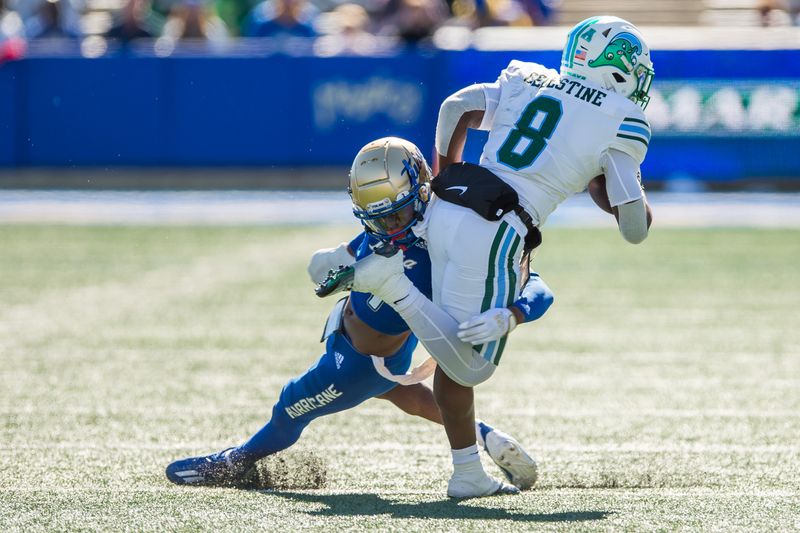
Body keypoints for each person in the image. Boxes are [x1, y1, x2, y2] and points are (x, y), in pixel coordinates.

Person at [350, 16, 654, 498]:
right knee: (471, 367)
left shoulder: (531, 79)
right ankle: (392, 285)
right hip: (496, 229)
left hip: (450, 208)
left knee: (454, 361)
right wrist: (621, 184)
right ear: (616, 64)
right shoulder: (621, 117)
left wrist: (447, 172)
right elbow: (635, 228)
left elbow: (457, 106)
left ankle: (467, 473)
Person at [165, 138, 555, 495]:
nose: (386, 227)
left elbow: (535, 283)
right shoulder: (404, 223)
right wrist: (337, 261)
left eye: (394, 217)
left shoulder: (447, 241)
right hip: (382, 353)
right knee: (407, 396)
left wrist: (512, 314)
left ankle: (236, 462)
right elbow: (360, 250)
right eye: (376, 218)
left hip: (356, 364)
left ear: (421, 192)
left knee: (288, 407)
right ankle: (485, 435)